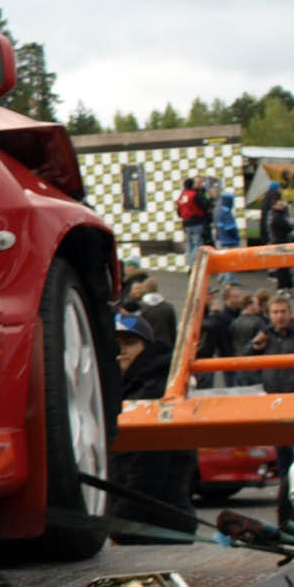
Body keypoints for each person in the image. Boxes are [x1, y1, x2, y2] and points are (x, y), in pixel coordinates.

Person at [110, 311, 194, 522]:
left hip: (156, 524)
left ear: (145, 346)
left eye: (129, 342)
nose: (120, 350)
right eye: (115, 343)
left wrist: (119, 521)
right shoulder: (128, 385)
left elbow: (148, 470)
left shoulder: (155, 391)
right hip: (153, 519)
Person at [247, 293, 294, 531]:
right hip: (276, 409)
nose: (279, 316)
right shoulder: (267, 336)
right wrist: (255, 347)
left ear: (290, 312)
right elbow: (246, 360)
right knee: (285, 467)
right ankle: (289, 522)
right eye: (275, 312)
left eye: (283, 312)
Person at [260, 183, 294, 292]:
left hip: (274, 238)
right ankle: (281, 284)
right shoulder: (277, 214)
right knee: (282, 265)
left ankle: (279, 281)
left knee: (280, 263)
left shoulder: (268, 205)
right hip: (279, 241)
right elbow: (287, 226)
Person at [135, 275, 178, 346]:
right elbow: (172, 331)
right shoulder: (168, 307)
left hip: (146, 344)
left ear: (144, 289)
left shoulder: (139, 307)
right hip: (165, 344)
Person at [177, 177, 209, 264]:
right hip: (196, 222)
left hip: (185, 223)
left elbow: (179, 212)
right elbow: (205, 206)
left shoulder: (182, 196)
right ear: (192, 185)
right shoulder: (195, 194)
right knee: (198, 244)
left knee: (189, 244)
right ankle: (192, 265)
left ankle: (189, 264)